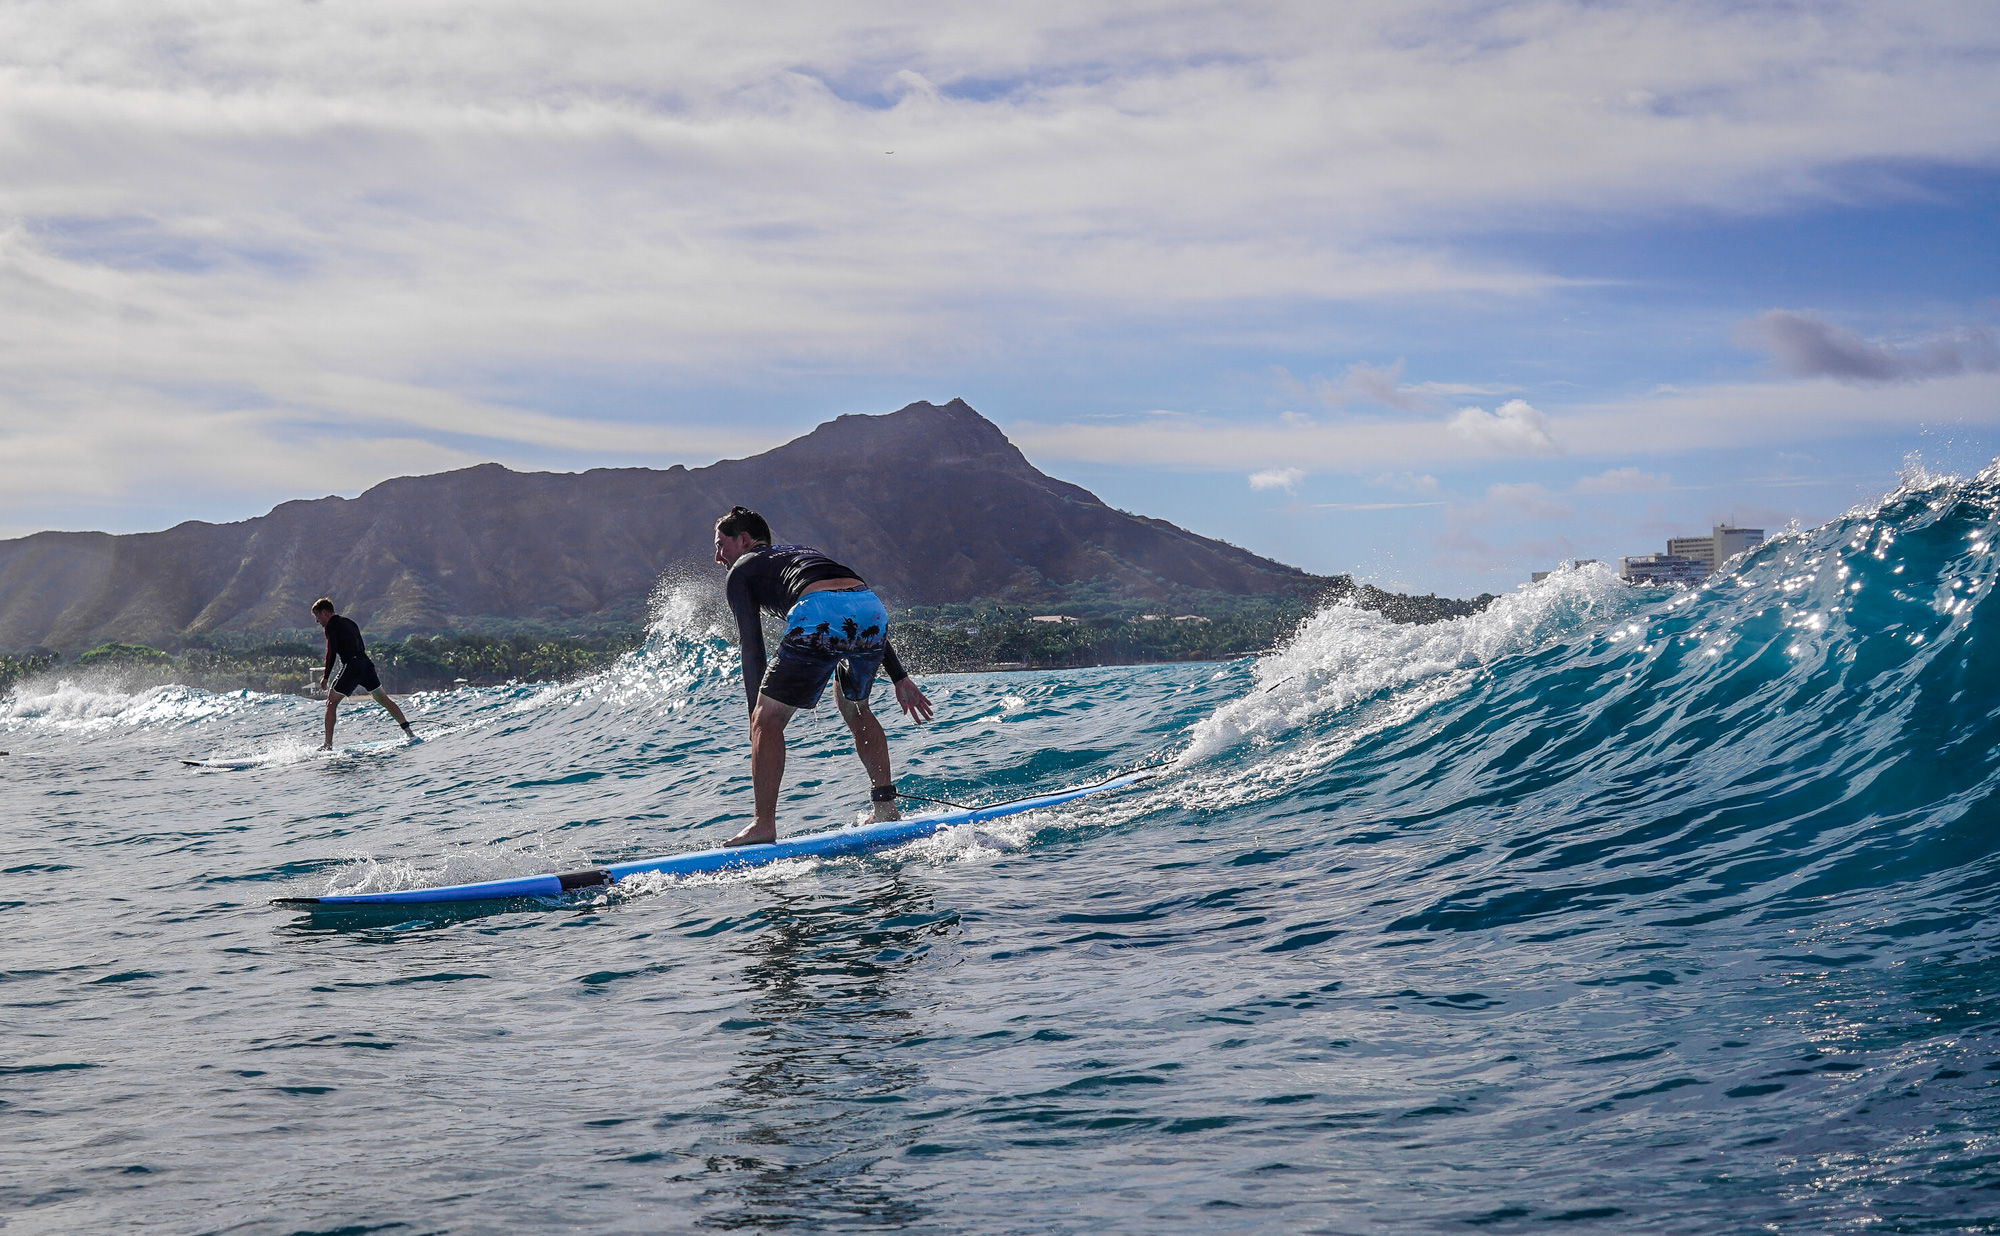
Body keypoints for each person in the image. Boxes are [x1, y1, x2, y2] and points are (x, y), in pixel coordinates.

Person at [712, 506, 933, 846]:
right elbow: (851, 608)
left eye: (721, 545)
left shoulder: (742, 569)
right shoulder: (801, 552)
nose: (718, 557)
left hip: (819, 609)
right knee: (856, 707)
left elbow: (752, 646)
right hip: (870, 605)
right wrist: (899, 677)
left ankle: (763, 824)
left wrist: (755, 715)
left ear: (743, 540)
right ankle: (886, 807)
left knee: (767, 719)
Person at [311, 598, 415, 749]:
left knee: (331, 702)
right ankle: (410, 733)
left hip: (352, 665)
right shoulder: (350, 622)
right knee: (383, 699)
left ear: (325, 612)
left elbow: (331, 652)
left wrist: (326, 676)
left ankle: (327, 744)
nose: (317, 621)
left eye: (317, 616)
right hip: (366, 664)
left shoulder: (331, 625)